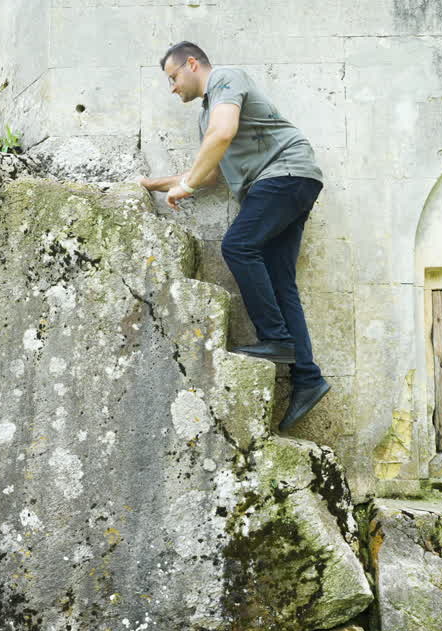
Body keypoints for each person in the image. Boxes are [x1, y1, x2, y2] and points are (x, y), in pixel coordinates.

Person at [138, 41, 330, 431]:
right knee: (281, 282)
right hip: (286, 183)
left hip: (285, 175)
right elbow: (210, 173)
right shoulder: (207, 116)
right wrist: (152, 184)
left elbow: (222, 135)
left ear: (192, 64)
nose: (172, 88)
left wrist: (187, 184)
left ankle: (276, 340)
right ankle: (307, 378)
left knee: (238, 246)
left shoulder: (226, 79)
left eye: (173, 77)